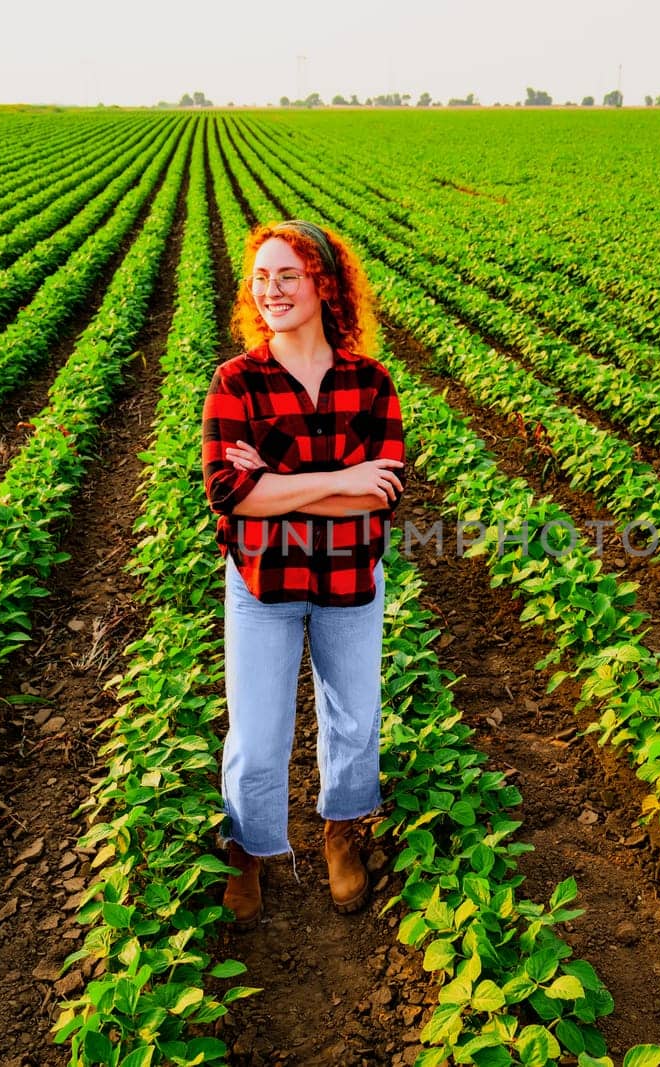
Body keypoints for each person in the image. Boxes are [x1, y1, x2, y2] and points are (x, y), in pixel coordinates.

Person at [200, 219, 405, 927]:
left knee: (354, 720)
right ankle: (248, 850)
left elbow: (385, 490)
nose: (272, 290)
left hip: (351, 576)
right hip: (262, 581)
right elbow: (229, 493)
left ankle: (340, 830)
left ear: (324, 282)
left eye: (288, 275)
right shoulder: (237, 382)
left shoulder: (370, 382)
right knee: (256, 735)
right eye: (261, 277)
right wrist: (341, 478)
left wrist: (279, 479)